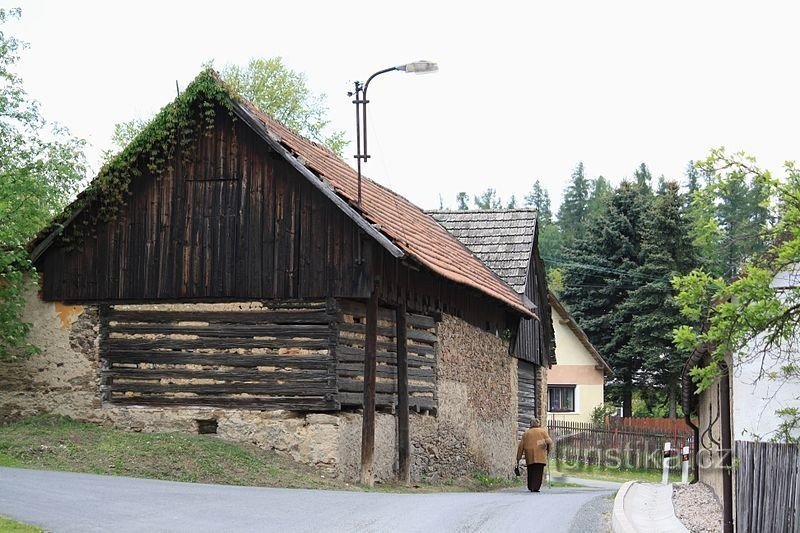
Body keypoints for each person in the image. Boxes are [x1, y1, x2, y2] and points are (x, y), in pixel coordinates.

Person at [516, 418, 553, 492]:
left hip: (529, 456)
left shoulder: (526, 434)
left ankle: (531, 486)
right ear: (538, 424)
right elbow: (549, 441)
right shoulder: (542, 432)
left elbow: (521, 447)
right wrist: (543, 445)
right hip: (541, 456)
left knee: (531, 471)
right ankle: (536, 487)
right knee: (538, 472)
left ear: (530, 424)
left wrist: (518, 458)